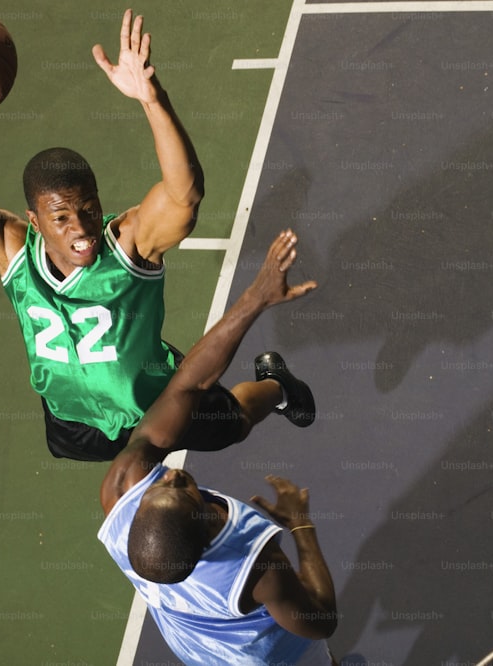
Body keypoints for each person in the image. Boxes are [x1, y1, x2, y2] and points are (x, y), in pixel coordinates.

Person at [0, 5, 313, 461]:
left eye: (88, 209)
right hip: (74, 421)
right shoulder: (13, 253)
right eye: (61, 217)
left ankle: (277, 386)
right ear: (34, 219)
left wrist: (151, 98)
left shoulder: (130, 246)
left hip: (157, 407)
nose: (82, 228)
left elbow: (184, 195)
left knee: (236, 423)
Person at [98, 230, 339, 666]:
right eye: (179, 486)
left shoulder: (122, 492)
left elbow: (187, 385)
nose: (169, 473)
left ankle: (279, 389)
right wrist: (301, 526)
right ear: (208, 528)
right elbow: (320, 619)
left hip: (198, 654)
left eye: (158, 489)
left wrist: (255, 298)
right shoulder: (253, 566)